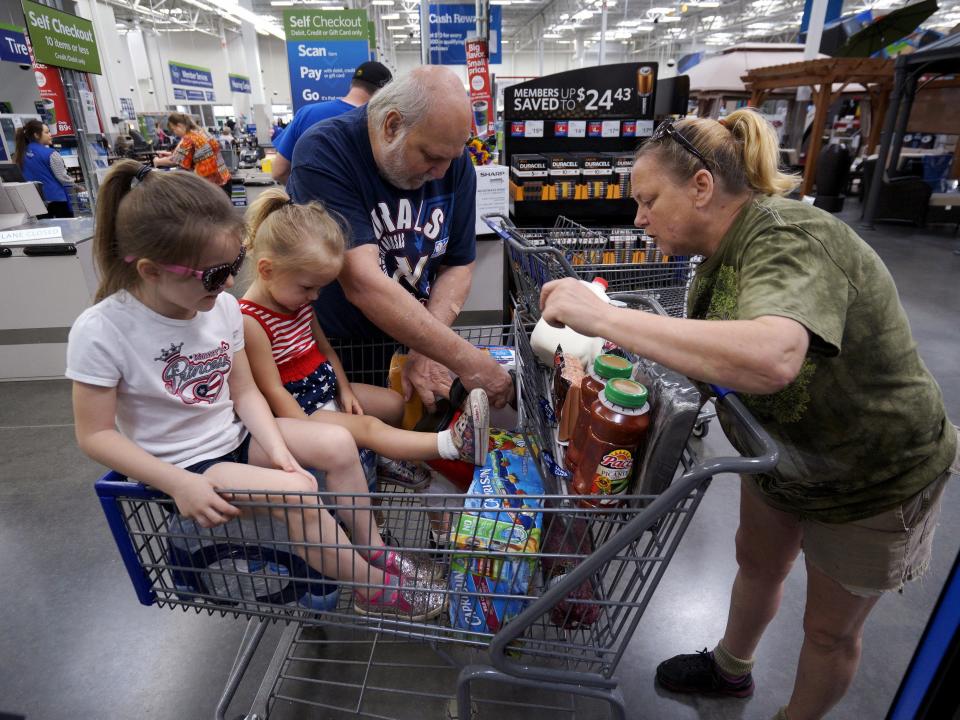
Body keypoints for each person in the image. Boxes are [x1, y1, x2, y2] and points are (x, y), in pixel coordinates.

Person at [539, 109, 958, 720]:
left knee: (827, 631)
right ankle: (730, 671)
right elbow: (713, 350)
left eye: (649, 199)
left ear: (702, 186)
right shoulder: (718, 252)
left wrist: (602, 318)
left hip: (870, 474)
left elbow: (773, 358)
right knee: (758, 565)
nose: (639, 217)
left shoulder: (789, 235)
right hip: (783, 454)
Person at [67, 160, 446, 620]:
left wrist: (279, 451)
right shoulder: (103, 330)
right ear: (150, 270)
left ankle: (373, 548)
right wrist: (178, 482)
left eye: (233, 265)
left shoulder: (221, 309)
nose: (228, 283)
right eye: (211, 275)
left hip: (235, 440)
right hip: (181, 465)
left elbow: (245, 394)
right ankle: (375, 589)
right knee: (300, 497)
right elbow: (96, 435)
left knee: (339, 442)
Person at [288, 66, 513, 411]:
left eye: (450, 159)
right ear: (391, 125)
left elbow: (459, 263)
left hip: (417, 335)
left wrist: (425, 347)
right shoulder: (325, 152)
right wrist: (470, 362)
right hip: (339, 346)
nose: (441, 173)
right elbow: (363, 282)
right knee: (360, 446)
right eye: (431, 156)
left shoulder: (455, 163)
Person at [239, 187, 491, 467]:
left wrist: (344, 390)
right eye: (307, 287)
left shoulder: (297, 303)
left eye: (320, 288)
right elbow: (272, 391)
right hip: (301, 411)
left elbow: (326, 351)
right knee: (370, 427)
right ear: (266, 270)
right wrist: (308, 433)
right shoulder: (250, 322)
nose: (314, 297)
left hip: (326, 389)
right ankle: (454, 444)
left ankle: (383, 461)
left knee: (392, 404)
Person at [271, 61, 393, 184]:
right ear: (383, 93)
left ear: (352, 84)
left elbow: (279, 171)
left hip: (307, 201)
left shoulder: (306, 113)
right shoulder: (380, 123)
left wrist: (302, 194)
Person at [153, 112, 232, 199]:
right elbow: (200, 152)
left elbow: (173, 160)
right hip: (225, 180)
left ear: (179, 125)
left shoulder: (189, 138)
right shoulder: (202, 132)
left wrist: (157, 161)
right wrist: (170, 154)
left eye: (174, 129)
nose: (175, 133)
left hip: (211, 187)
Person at [13, 119, 74, 218]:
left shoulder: (19, 155)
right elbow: (63, 178)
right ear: (37, 135)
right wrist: (76, 185)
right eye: (46, 132)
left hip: (35, 202)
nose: (50, 134)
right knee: (64, 230)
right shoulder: (51, 153)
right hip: (57, 201)